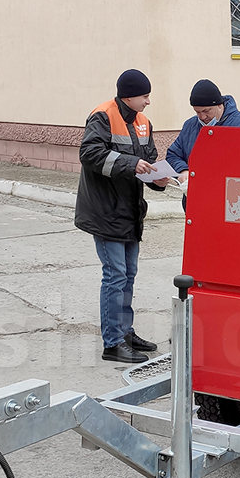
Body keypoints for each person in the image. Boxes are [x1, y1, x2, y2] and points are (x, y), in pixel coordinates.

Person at [75, 69, 170, 364]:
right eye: (145, 96)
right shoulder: (102, 116)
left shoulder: (143, 123)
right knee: (115, 275)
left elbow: (148, 161)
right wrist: (132, 163)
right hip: (105, 211)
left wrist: (158, 179)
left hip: (129, 212)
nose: (148, 101)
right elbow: (89, 154)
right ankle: (113, 343)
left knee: (128, 274)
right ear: (129, 95)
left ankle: (125, 332)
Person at [166, 79, 240, 210]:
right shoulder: (190, 125)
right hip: (196, 205)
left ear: (219, 105)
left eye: (206, 111)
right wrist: (184, 170)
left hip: (233, 206)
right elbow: (173, 154)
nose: (203, 117)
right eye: (197, 112)